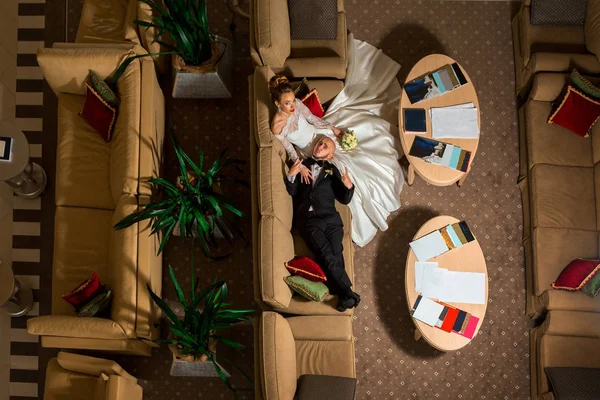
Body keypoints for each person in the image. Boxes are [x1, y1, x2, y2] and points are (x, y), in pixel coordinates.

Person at [269, 71, 405, 247]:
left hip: (319, 134)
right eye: (287, 103)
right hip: (308, 151)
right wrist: (300, 165)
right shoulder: (277, 127)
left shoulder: (298, 105)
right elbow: (289, 148)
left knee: (356, 141)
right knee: (342, 167)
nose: (292, 106)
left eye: (293, 100)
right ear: (277, 103)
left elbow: (312, 119)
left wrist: (331, 128)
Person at [285, 136, 361, 312]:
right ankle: (348, 293)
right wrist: (291, 175)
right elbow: (292, 190)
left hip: (331, 220)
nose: (320, 146)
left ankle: (343, 294)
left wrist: (348, 187)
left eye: (325, 146)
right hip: (309, 221)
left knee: (336, 252)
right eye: (320, 143)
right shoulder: (301, 162)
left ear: (329, 156)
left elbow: (344, 199)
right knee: (326, 253)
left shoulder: (332, 170)